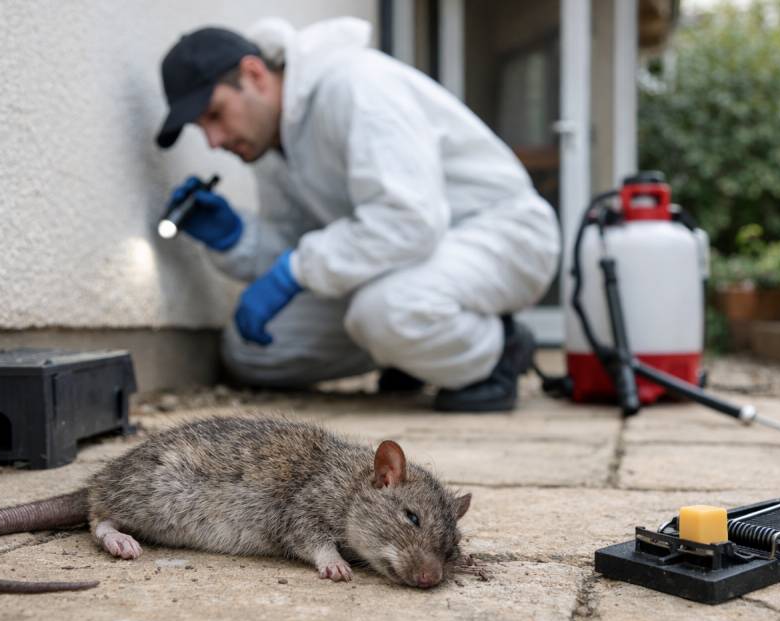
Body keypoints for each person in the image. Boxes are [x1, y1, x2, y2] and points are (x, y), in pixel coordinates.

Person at [155, 17, 560, 412]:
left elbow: (409, 221)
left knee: (386, 312)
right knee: (253, 352)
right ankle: (413, 350)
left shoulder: (356, 86)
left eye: (215, 115)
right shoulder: (273, 146)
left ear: (254, 74)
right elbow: (304, 247)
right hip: (400, 261)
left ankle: (499, 350)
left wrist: (295, 270)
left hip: (501, 234)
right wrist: (237, 238)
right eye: (201, 128)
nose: (213, 141)